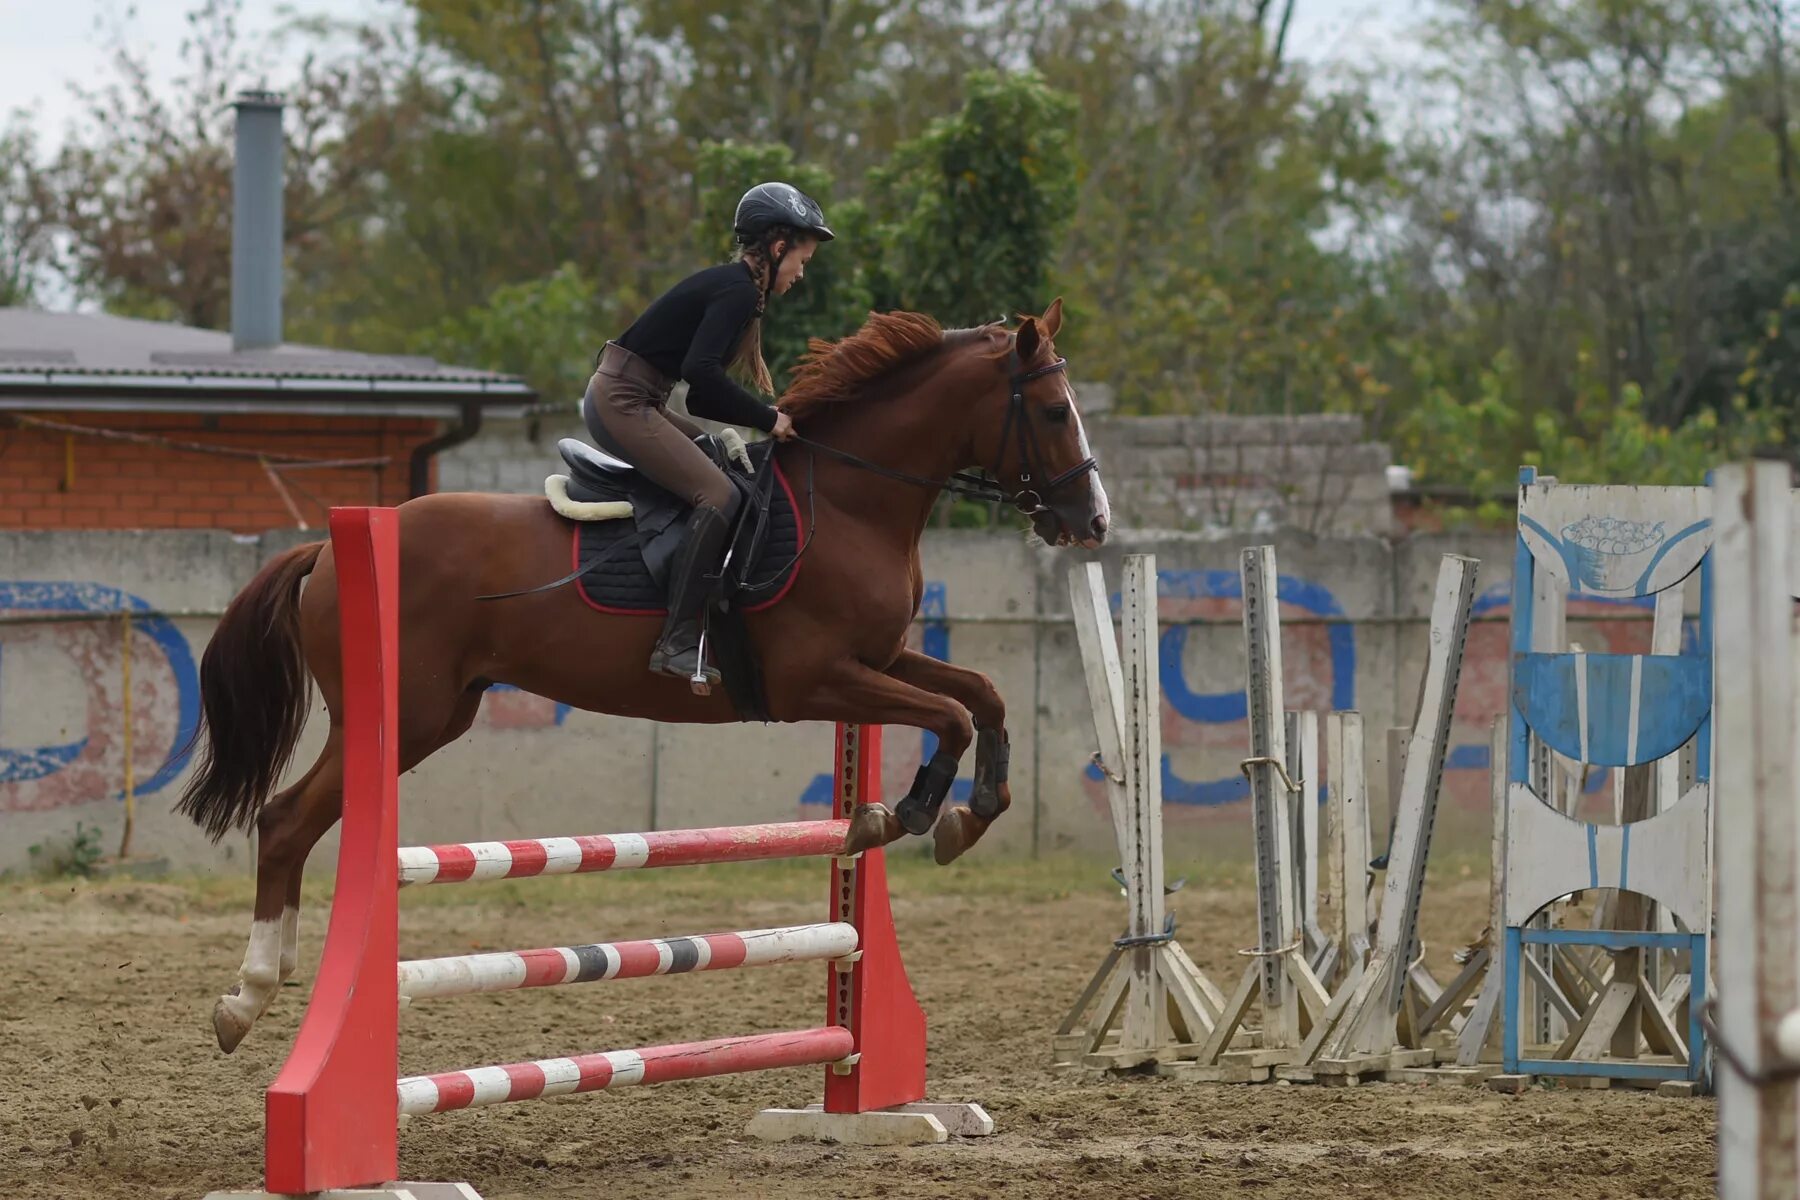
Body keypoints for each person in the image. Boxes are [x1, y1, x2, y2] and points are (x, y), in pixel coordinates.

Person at [582, 181, 831, 684]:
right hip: (623, 401)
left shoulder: (738, 289)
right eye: (801, 260)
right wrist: (768, 418)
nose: (801, 274)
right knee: (717, 494)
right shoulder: (737, 291)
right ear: (778, 247)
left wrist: (765, 413)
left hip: (636, 397)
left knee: (719, 465)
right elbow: (703, 374)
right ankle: (675, 641)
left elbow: (698, 396)